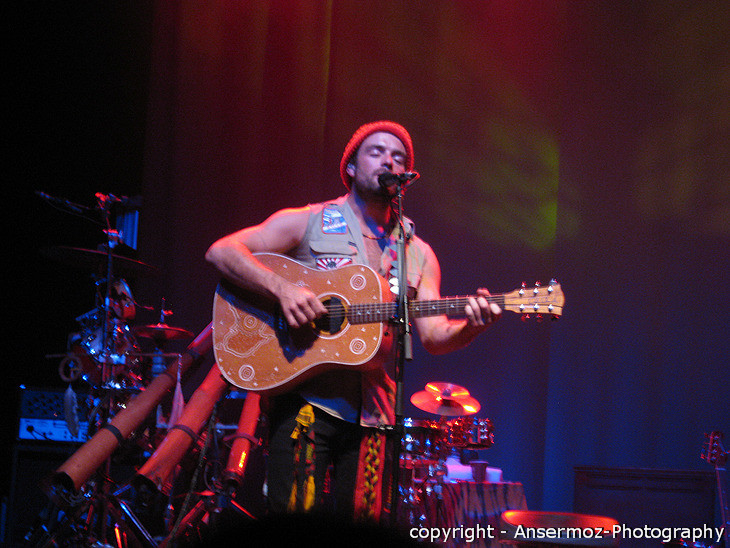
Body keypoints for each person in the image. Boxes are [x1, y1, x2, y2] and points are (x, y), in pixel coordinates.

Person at [205, 121, 502, 522]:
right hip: (307, 403)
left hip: (376, 415)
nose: (389, 160)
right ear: (350, 166)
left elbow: (433, 335)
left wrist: (472, 326)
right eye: (376, 152)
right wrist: (283, 289)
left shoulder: (418, 254)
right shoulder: (308, 221)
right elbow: (222, 252)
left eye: (398, 157)